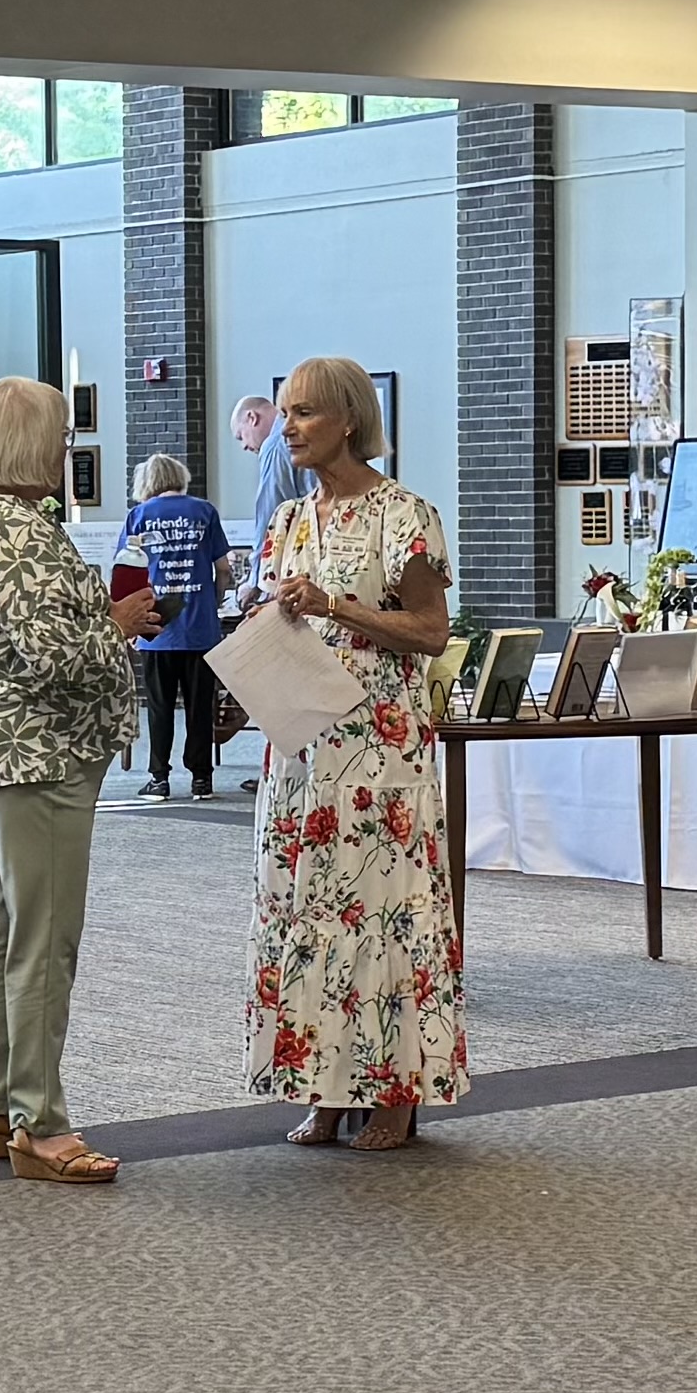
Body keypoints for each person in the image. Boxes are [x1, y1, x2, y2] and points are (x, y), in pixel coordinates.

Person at [245, 356, 465, 1151]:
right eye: (283, 412)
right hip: (302, 747)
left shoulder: (406, 514)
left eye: (303, 411)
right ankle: (326, 1085)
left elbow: (433, 630)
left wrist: (337, 606)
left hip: (379, 753)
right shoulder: (288, 522)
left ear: (346, 418)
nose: (289, 426)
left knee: (381, 913)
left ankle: (396, 1087)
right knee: (308, 912)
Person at [0, 376, 159, 1183]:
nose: (66, 452)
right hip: (42, 752)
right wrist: (121, 623)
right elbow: (56, 655)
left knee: (6, 929)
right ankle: (40, 1122)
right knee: (44, 941)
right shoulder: (22, 532)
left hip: (0, 745)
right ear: (30, 444)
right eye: (61, 438)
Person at [121, 453, 232, 802]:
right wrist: (213, 603)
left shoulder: (138, 516)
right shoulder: (204, 511)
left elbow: (126, 575)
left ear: (146, 483)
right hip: (200, 627)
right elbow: (224, 569)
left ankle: (159, 779)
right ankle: (201, 779)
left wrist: (132, 625)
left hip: (157, 628)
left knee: (159, 706)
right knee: (200, 706)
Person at [232, 393, 317, 795]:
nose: (245, 446)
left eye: (240, 437)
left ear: (252, 417)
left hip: (286, 579)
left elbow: (270, 515)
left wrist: (255, 579)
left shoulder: (273, 447)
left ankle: (285, 770)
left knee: (281, 678)